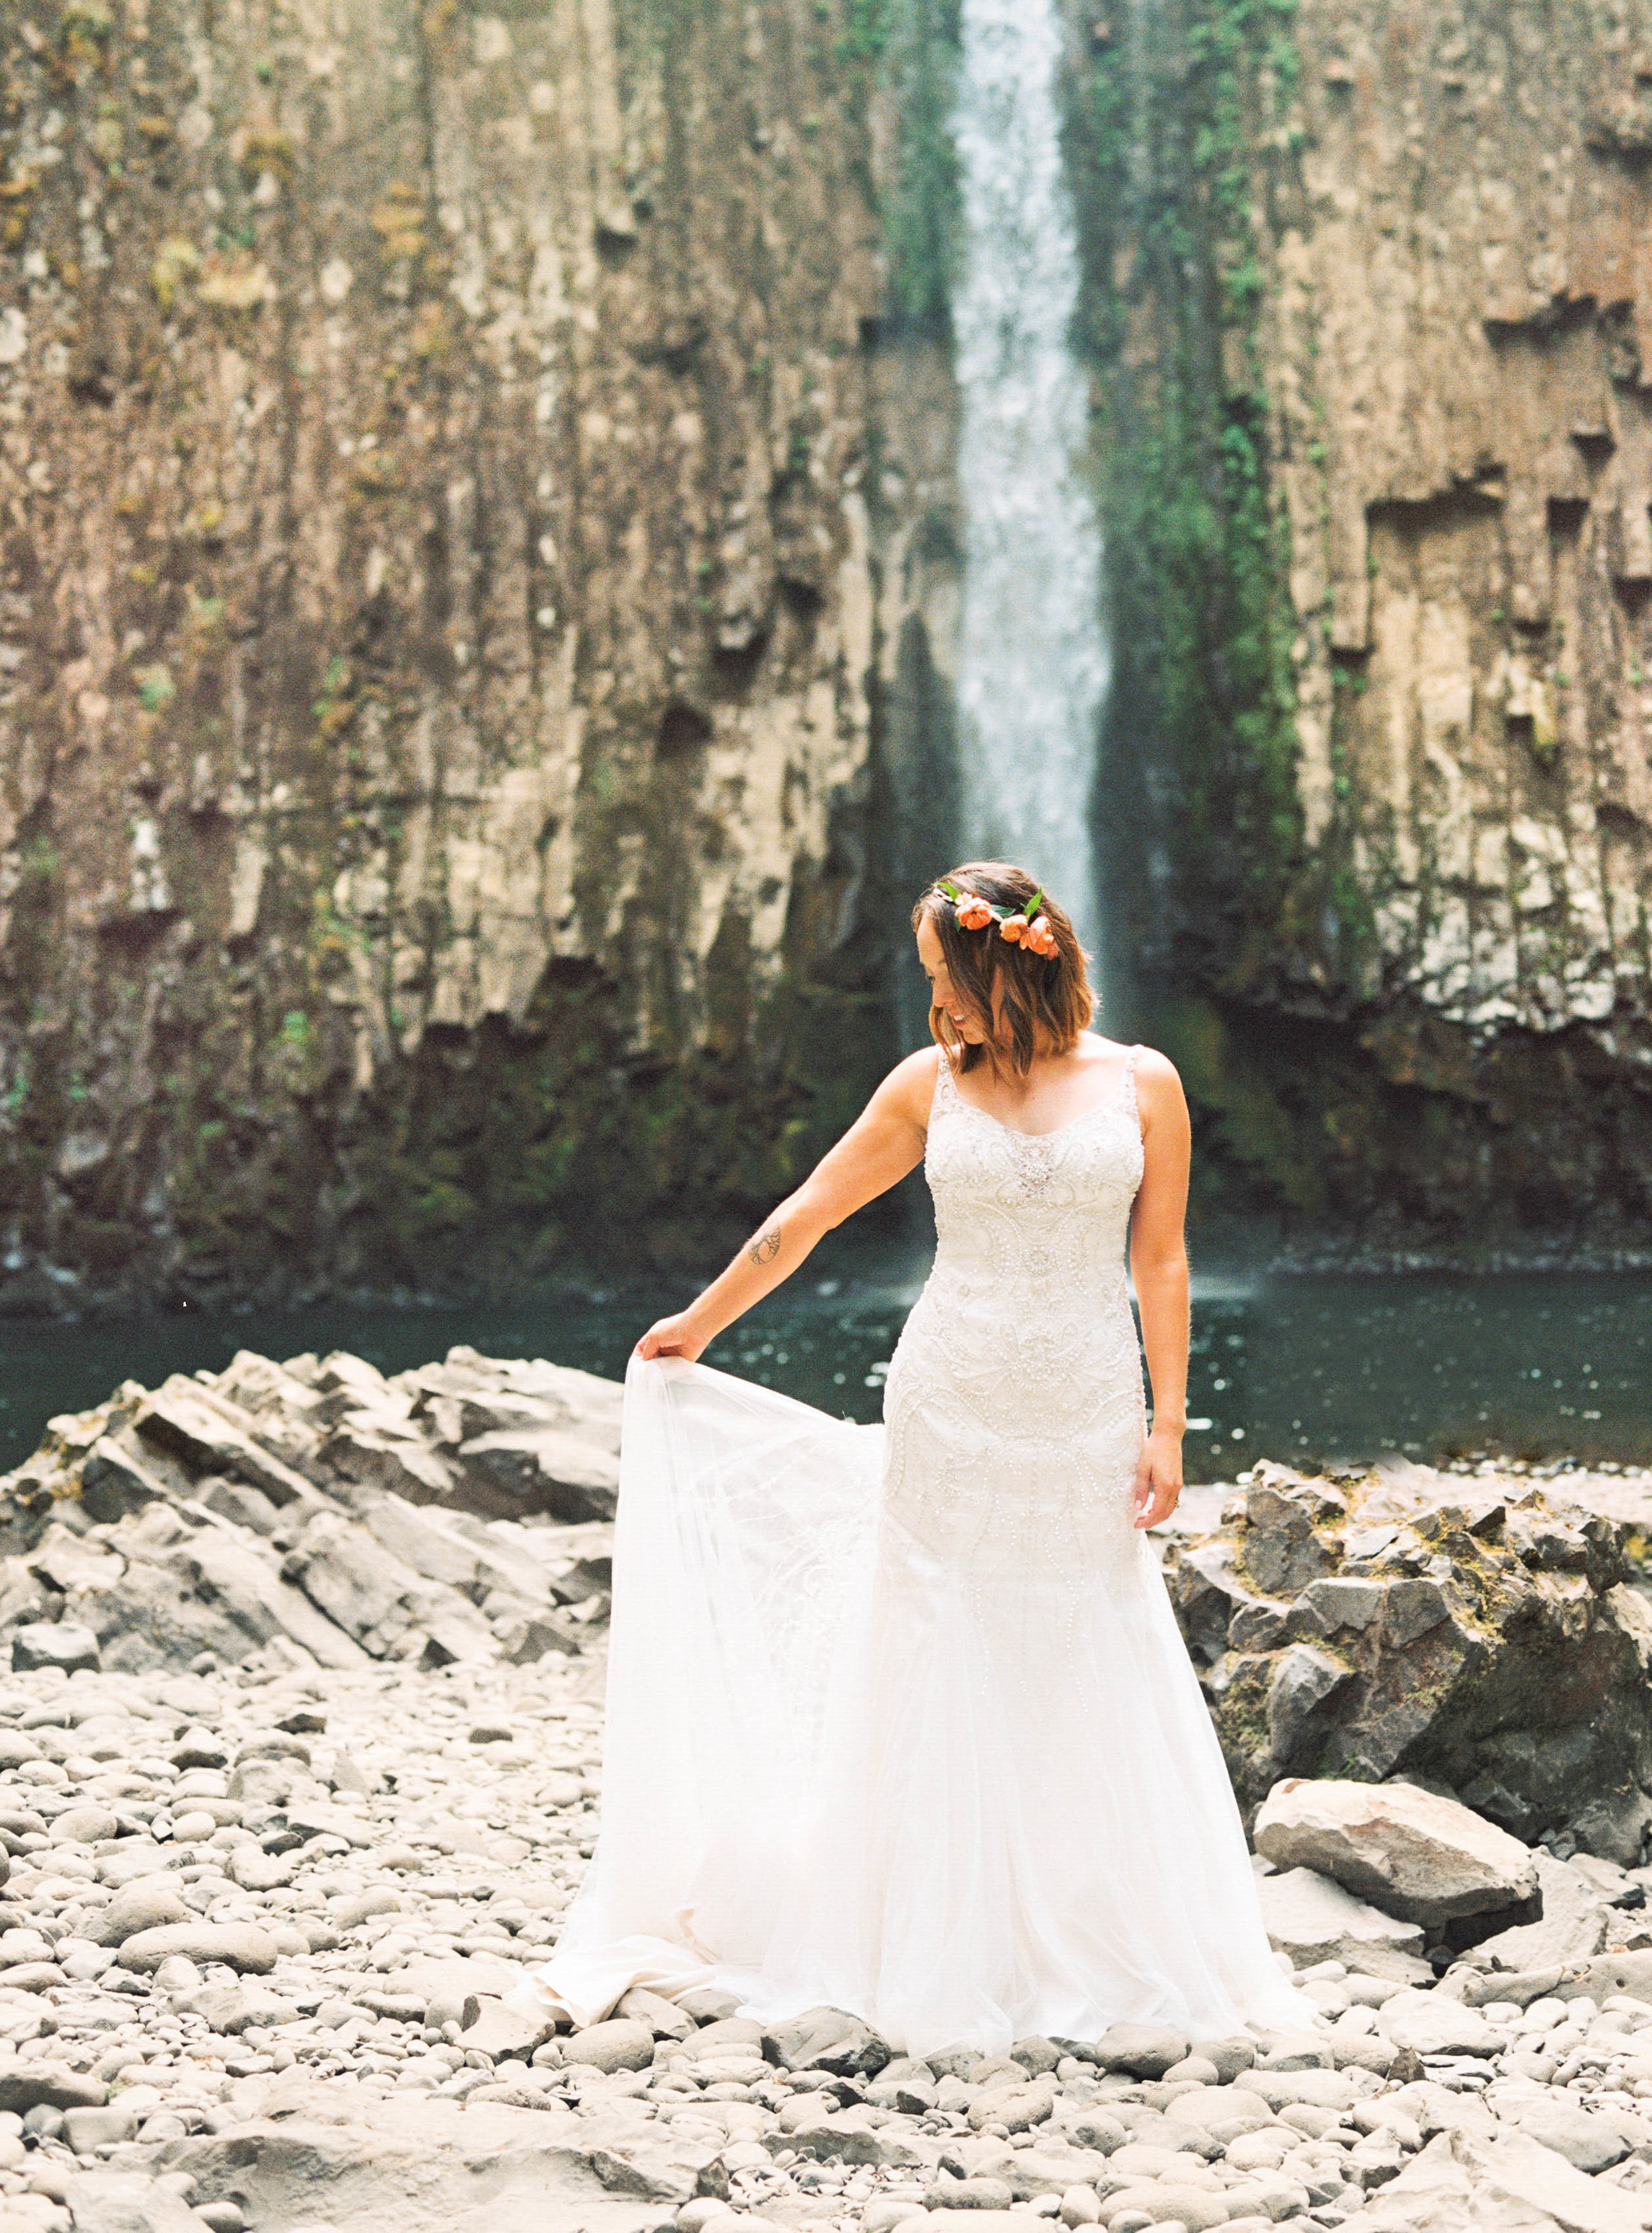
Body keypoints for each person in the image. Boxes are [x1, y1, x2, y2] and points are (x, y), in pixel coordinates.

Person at [527, 861, 1305, 2053]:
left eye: (943, 970)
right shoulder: (924, 1087)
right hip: (950, 1400)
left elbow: (1162, 1262)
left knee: (1081, 1636)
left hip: (1087, 1405)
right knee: (938, 1636)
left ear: (1000, 966)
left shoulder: (1147, 1084)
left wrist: (1167, 1420)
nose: (931, 991)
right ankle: (932, 1932)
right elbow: (809, 1212)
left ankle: (1089, 1918)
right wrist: (703, 1320)